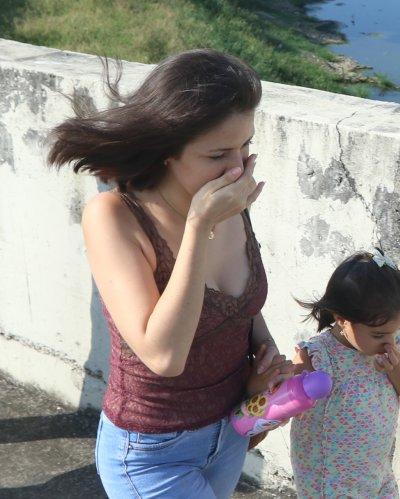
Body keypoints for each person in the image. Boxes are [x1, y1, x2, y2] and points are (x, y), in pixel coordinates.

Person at [47, 50, 295, 497]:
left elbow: (239, 308)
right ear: (167, 152)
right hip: (152, 451)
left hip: (229, 435)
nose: (238, 168)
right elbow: (163, 356)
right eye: (219, 153)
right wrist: (200, 227)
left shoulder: (227, 198)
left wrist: (268, 361)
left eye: (245, 147)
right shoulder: (115, 218)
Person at [291, 250, 400, 498]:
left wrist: (396, 369)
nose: (389, 341)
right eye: (379, 334)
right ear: (342, 319)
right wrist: (293, 381)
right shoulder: (319, 356)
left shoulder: (389, 348)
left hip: (377, 477)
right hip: (332, 484)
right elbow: (284, 405)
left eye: (396, 331)